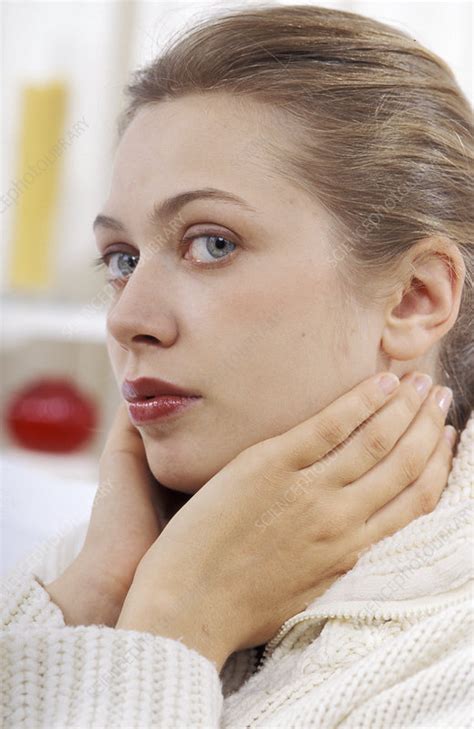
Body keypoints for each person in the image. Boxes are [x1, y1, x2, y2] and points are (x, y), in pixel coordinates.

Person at [2, 3, 472, 727]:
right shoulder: (77, 567)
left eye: (211, 243)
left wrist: (174, 624)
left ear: (414, 297)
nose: (127, 317)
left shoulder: (447, 673)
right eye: (122, 259)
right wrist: (91, 599)